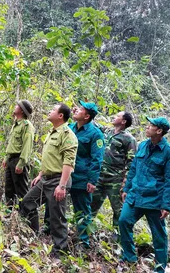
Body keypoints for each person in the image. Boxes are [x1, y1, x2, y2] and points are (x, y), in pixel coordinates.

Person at [118, 117, 170, 273]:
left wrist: (166, 205)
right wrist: (127, 187)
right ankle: (130, 257)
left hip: (155, 200)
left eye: (150, 126)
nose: (147, 127)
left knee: (159, 236)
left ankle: (159, 268)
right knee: (124, 221)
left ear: (159, 131)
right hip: (136, 195)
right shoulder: (143, 145)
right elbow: (134, 169)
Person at [20, 103, 78, 257]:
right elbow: (50, 157)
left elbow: (68, 162)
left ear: (60, 116)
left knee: (57, 217)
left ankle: (60, 252)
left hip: (58, 181)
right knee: (26, 203)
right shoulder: (52, 132)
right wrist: (40, 174)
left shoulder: (67, 135)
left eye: (53, 109)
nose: (49, 110)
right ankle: (33, 236)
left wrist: (62, 186)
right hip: (45, 179)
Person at [91, 111, 136, 235]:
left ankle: (118, 241)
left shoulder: (129, 139)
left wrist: (125, 184)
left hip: (116, 180)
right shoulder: (107, 132)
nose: (113, 117)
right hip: (100, 177)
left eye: (117, 116)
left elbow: (131, 162)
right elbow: (93, 124)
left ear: (123, 121)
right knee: (91, 207)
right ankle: (84, 236)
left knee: (119, 211)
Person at [68, 101, 104, 250]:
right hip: (65, 174)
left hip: (82, 178)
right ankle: (50, 229)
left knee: (82, 210)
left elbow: (97, 159)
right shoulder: (70, 128)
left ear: (87, 116)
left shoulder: (96, 134)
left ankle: (84, 242)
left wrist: (92, 180)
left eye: (81, 109)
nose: (77, 109)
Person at [2, 100, 35, 210]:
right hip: (11, 159)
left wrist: (21, 163)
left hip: (18, 160)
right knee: (9, 189)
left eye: (17, 106)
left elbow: (27, 146)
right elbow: (12, 144)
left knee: (21, 191)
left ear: (21, 110)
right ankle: (8, 213)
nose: (15, 107)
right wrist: (6, 158)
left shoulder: (27, 126)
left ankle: (24, 216)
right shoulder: (15, 125)